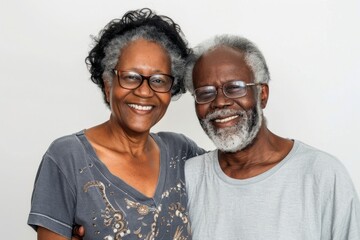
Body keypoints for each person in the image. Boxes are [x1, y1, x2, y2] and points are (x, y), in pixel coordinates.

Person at [27, 8, 205, 240]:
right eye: (131, 76)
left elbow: (241, 171)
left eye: (159, 80)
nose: (144, 91)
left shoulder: (181, 152)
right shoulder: (67, 158)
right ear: (108, 83)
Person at [184, 34, 360, 239]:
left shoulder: (322, 174)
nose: (220, 102)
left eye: (234, 88)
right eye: (205, 93)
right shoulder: (189, 178)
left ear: (262, 94)